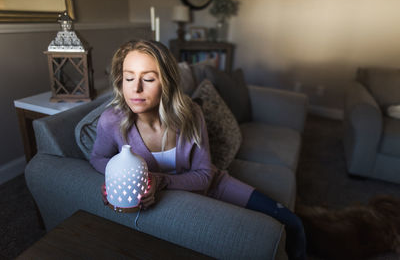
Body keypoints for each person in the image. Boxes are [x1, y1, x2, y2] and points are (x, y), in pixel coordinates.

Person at [90, 39, 306, 260]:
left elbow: (204, 176)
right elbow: (98, 157)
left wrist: (159, 180)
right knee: (257, 237)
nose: (135, 88)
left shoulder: (191, 113)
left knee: (290, 221)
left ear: (167, 82)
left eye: (148, 78)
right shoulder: (112, 121)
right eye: (128, 78)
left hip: (213, 185)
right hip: (182, 201)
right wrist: (118, 177)